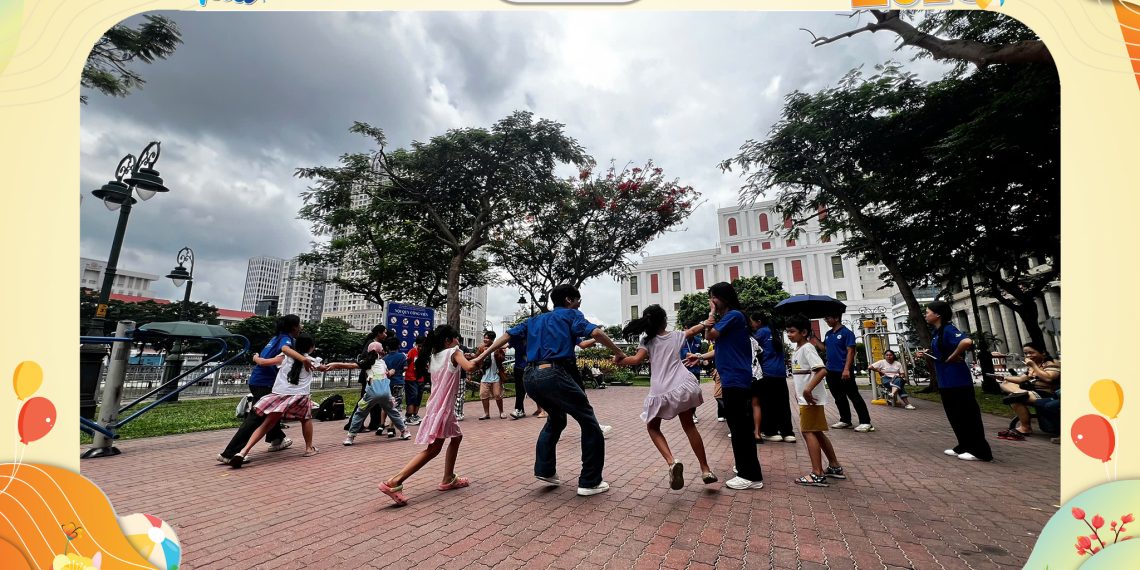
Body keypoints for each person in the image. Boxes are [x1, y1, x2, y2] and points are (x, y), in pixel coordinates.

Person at [479, 284, 625, 497]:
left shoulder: (535, 320)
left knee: (556, 419)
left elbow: (506, 337)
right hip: (554, 373)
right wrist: (619, 352)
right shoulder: (571, 314)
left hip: (530, 376)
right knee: (589, 422)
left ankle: (545, 470)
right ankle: (590, 482)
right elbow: (595, 332)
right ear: (569, 300)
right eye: (578, 300)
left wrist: (480, 356)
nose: (579, 304)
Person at [614, 305, 717, 489]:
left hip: (661, 390)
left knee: (653, 427)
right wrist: (709, 315)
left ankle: (671, 462)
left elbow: (636, 360)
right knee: (689, 426)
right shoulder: (676, 336)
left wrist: (620, 360)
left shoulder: (647, 341)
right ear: (664, 320)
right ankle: (705, 469)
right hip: (682, 386)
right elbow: (695, 329)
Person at [378, 325, 482, 506]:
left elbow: (463, 363)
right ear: (448, 341)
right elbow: (470, 367)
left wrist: (473, 356)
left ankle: (448, 478)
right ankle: (394, 481)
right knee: (433, 449)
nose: (459, 342)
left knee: (456, 437)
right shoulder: (454, 352)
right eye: (456, 338)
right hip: (443, 408)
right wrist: (484, 354)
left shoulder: (434, 356)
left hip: (437, 406)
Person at [216, 314, 306, 464]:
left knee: (274, 410)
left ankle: (277, 439)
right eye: (299, 325)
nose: (301, 327)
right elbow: (281, 354)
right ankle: (230, 453)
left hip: (259, 381)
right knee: (257, 416)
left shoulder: (275, 338)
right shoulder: (286, 340)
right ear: (293, 327)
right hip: (265, 383)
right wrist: (303, 359)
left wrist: (258, 359)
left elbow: (266, 359)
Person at [700, 282, 764, 491]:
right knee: (738, 426)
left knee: (740, 428)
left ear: (723, 298)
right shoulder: (733, 317)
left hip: (735, 379)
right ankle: (745, 466)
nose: (712, 302)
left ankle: (750, 475)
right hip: (733, 378)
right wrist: (700, 356)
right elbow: (722, 347)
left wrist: (710, 315)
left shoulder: (733, 315)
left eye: (713, 297)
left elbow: (710, 336)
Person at [229, 333, 322, 467]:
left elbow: (263, 362)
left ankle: (242, 452)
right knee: (306, 419)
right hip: (300, 396)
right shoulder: (311, 361)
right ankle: (309, 449)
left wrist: (255, 357)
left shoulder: (284, 357)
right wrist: (353, 365)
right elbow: (326, 367)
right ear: (311, 347)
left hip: (280, 396)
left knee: (266, 424)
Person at [917, 301, 993, 462]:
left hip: (958, 380)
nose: (926, 314)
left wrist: (953, 356)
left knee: (968, 416)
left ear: (938, 314)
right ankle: (964, 445)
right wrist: (928, 354)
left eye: (928, 312)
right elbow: (942, 353)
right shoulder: (937, 332)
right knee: (955, 416)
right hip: (946, 381)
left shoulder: (948, 329)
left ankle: (981, 451)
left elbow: (966, 342)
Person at [786, 315, 846, 487]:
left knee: (808, 432)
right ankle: (834, 466)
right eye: (787, 331)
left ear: (804, 332)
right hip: (807, 399)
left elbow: (821, 370)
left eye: (792, 331)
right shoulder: (799, 349)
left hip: (810, 400)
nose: (789, 335)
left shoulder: (807, 348)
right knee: (817, 431)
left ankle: (817, 473)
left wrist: (807, 389)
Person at [810, 313, 874, 432]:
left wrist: (846, 369)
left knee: (853, 396)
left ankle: (866, 422)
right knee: (838, 397)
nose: (826, 321)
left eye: (828, 318)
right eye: (825, 318)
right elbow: (824, 348)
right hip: (831, 370)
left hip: (844, 370)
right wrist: (814, 337)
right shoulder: (829, 334)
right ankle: (845, 420)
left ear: (836, 318)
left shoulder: (847, 333)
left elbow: (851, 351)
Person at [338, 341, 410, 446]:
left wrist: (334, 365)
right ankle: (405, 432)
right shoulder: (383, 362)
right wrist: (392, 371)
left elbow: (351, 365)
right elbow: (387, 374)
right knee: (393, 412)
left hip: (371, 393)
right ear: (380, 351)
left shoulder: (366, 362)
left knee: (360, 413)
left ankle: (350, 437)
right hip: (386, 393)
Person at [997, 342, 1060, 440]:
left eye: (1031, 353)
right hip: (1031, 391)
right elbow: (1022, 379)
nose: (1028, 356)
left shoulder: (1051, 363)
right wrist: (1005, 378)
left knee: (1014, 399)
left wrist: (1033, 365)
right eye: (1026, 354)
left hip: (1048, 393)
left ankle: (1025, 427)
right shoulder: (1032, 366)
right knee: (1005, 384)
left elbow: (1049, 379)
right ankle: (1018, 394)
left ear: (1042, 353)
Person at [750, 313, 795, 443]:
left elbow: (751, 347)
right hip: (780, 372)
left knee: (768, 403)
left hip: (767, 372)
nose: (751, 325)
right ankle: (787, 432)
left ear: (758, 322)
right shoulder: (775, 332)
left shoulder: (761, 333)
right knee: (783, 403)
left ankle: (771, 431)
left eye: (752, 322)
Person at [508, 334, 543, 419]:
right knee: (519, 390)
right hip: (518, 368)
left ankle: (542, 410)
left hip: (530, 367)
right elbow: (506, 345)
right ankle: (520, 410)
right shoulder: (516, 339)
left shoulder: (534, 339)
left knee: (534, 388)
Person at [380, 337, 409, 437]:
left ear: (387, 347)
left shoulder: (384, 359)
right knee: (396, 405)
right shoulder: (402, 356)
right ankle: (391, 428)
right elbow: (405, 367)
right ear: (399, 346)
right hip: (398, 382)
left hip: (387, 384)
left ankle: (381, 424)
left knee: (386, 404)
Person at [476, 330, 508, 420]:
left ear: (492, 340)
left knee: (497, 394)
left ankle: (501, 412)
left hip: (495, 375)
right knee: (483, 394)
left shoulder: (497, 348)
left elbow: (502, 359)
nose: (485, 340)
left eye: (487, 338)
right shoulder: (481, 348)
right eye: (484, 338)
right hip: (485, 376)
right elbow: (476, 358)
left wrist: (495, 352)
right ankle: (486, 413)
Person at [404, 336, 427, 426]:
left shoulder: (425, 353)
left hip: (420, 378)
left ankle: (415, 414)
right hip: (411, 377)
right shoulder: (412, 352)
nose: (421, 348)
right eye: (420, 346)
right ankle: (409, 415)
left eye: (423, 346)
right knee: (412, 395)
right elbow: (407, 363)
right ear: (417, 345)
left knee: (419, 396)